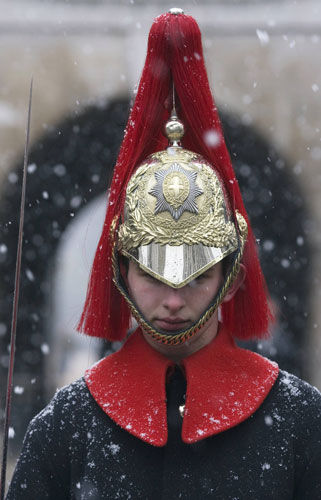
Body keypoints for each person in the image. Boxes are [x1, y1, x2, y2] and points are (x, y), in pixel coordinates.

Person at [6, 9, 321, 500]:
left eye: (195, 275)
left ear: (231, 276)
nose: (173, 302)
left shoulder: (301, 422)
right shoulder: (65, 426)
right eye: (154, 275)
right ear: (121, 271)